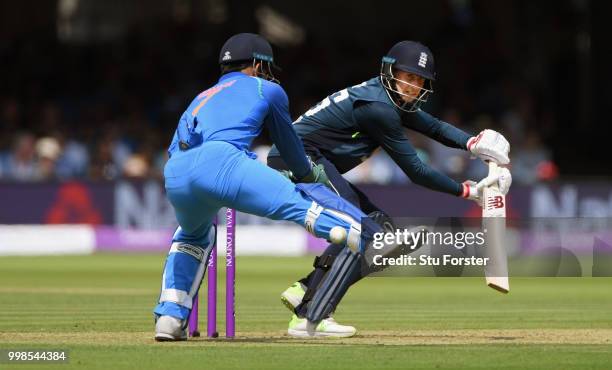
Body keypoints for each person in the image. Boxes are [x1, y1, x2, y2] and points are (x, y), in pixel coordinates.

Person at [267, 41, 512, 337]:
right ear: (389, 72)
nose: (413, 86)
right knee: (359, 227)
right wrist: (467, 192)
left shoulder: (390, 99)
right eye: (407, 77)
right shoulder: (378, 109)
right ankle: (310, 315)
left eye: (419, 80)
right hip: (298, 157)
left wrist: (473, 143)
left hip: (309, 157)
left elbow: (433, 127)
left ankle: (306, 288)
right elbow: (416, 170)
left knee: (378, 229)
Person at [153, 33, 376, 341]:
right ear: (258, 64)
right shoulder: (268, 89)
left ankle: (169, 317)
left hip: (176, 173)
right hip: (223, 161)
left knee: (192, 235)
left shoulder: (201, 96)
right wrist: (309, 175)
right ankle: (362, 234)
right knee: (302, 205)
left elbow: (175, 148)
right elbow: (290, 149)